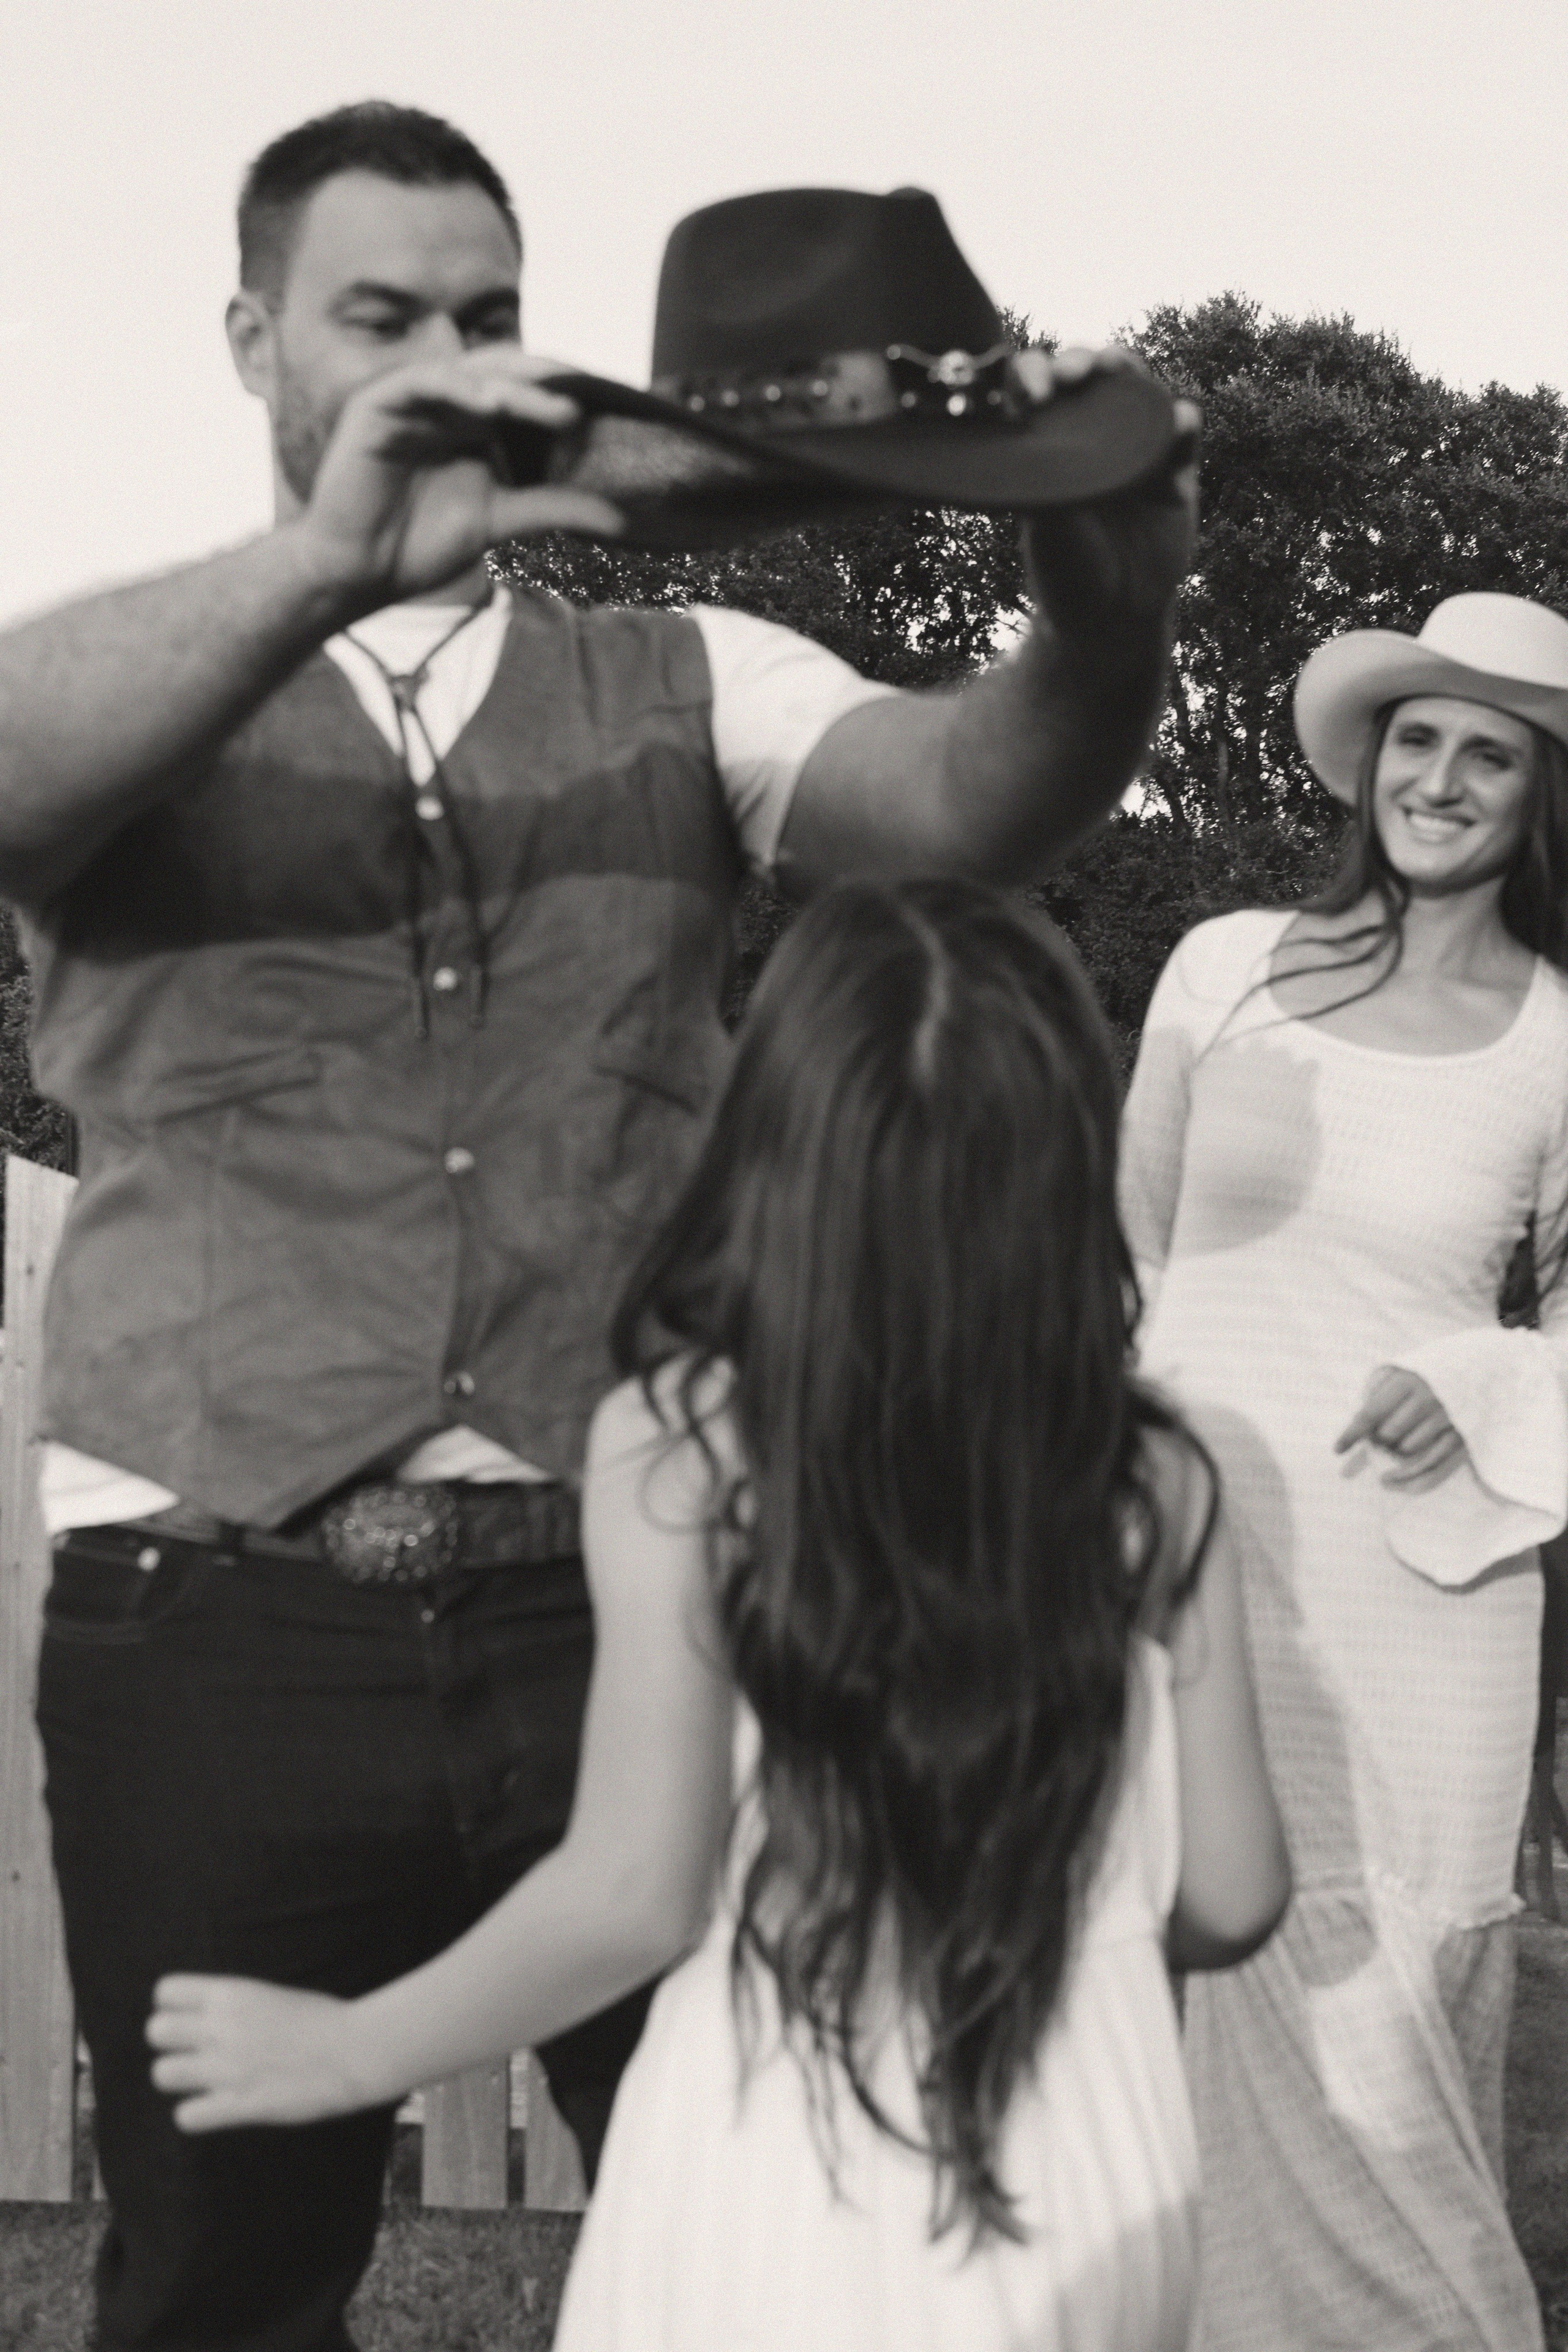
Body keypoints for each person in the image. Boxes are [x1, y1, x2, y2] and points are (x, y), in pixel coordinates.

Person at [0, 102, 1196, 2352]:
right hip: (216, 1621)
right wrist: (330, 565)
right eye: (381, 320)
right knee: (219, 2282)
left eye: (487, 316)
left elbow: (961, 807)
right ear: (253, 336)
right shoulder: (143, 678)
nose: (448, 363)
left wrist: (1110, 615)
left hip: (617, 1605)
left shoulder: (687, 672)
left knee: (731, 2219)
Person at [145, 878, 1289, 2352]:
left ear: (774, 1146)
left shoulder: (691, 1443)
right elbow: (1237, 1889)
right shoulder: (1154, 1475)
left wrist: (348, 2047)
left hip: (785, 2178)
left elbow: (634, 1887)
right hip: (1091, 2180)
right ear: (1061, 1157)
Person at [1119, 591, 1568, 2349]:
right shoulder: (1221, 966)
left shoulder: (1561, 1036)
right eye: (1419, 738)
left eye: (1492, 754)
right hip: (1200, 1553)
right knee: (1191, 1972)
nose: (1441, 779)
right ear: (1369, 759)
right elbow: (1127, 1264)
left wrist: (1480, 1381)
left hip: (1427, 1592)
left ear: (1540, 802)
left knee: (1393, 2013)